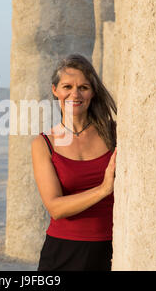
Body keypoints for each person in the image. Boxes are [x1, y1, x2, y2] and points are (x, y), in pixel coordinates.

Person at [31, 54, 118, 271]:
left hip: (112, 250)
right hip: (62, 253)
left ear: (93, 91)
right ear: (55, 90)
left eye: (84, 87)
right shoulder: (44, 144)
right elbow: (55, 208)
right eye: (67, 86)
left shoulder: (114, 133)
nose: (75, 94)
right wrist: (103, 189)